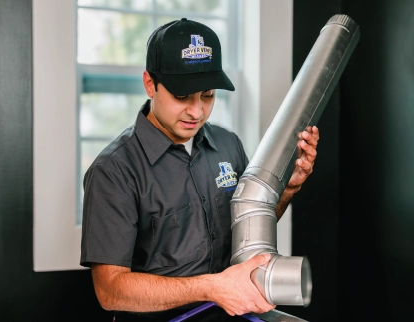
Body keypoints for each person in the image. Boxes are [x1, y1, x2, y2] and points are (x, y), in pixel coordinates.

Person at [80, 18, 319, 321]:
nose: (197, 111)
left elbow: (249, 227)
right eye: (182, 96)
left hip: (232, 315)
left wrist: (288, 189)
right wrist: (212, 287)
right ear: (150, 83)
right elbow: (111, 291)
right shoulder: (114, 170)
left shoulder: (228, 144)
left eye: (207, 95)